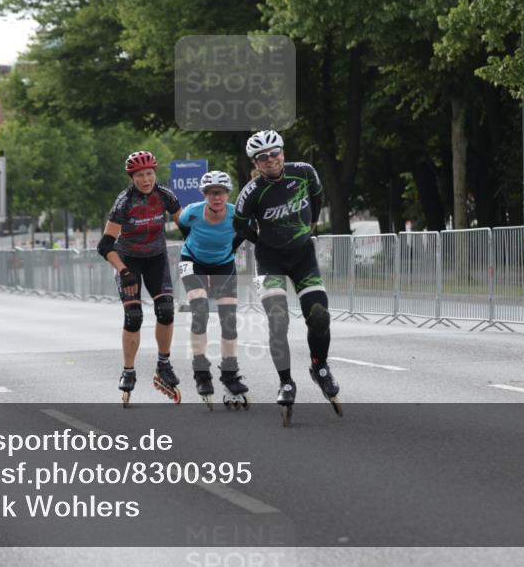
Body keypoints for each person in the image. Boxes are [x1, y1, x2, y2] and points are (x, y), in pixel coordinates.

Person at [233, 129, 341, 426]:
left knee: (319, 316)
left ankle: (319, 367)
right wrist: (263, 242)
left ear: (283, 152)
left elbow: (317, 199)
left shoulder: (305, 173)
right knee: (278, 320)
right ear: (255, 163)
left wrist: (313, 224)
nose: (270, 161)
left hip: (302, 256)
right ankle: (286, 382)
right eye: (262, 158)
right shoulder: (251, 193)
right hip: (270, 261)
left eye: (274, 153)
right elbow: (240, 226)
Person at [97, 150, 182, 406]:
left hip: (156, 258)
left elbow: (187, 227)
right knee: (134, 316)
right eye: (140, 175)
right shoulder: (124, 202)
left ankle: (164, 364)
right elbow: (105, 245)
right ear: (132, 178)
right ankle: (129, 369)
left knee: (166, 310)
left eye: (149, 173)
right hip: (128, 260)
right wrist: (123, 270)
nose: (146, 179)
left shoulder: (165, 195)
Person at [175, 170, 250, 409]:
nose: (216, 198)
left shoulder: (236, 214)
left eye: (221, 193)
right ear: (205, 195)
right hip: (192, 260)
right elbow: (184, 230)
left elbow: (242, 235)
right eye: (211, 193)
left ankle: (230, 373)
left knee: (229, 320)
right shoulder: (192, 213)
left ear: (228, 194)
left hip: (223, 263)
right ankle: (201, 372)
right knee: (200, 311)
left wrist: (228, 250)